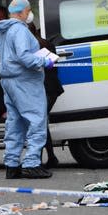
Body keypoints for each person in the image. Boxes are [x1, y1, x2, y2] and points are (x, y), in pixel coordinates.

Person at [0, 0, 55, 179]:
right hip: (25, 82)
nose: (30, 15)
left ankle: (12, 165)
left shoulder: (4, 31)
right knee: (37, 120)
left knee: (15, 123)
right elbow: (24, 56)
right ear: (21, 12)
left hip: (9, 81)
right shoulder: (20, 30)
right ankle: (32, 163)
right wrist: (45, 61)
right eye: (28, 11)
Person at [28, 22, 64, 168]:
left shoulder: (33, 47)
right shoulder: (46, 43)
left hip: (46, 89)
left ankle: (40, 159)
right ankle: (50, 157)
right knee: (42, 122)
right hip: (51, 89)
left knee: (40, 123)